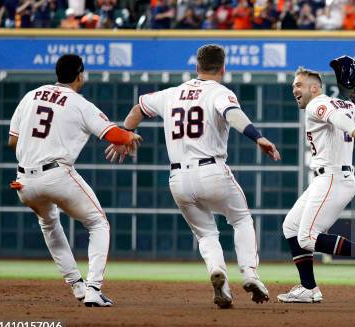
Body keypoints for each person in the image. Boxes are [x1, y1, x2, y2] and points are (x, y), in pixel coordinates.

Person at [105, 44, 279, 309]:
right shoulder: (220, 92)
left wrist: (123, 135)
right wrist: (258, 137)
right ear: (223, 68)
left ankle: (216, 272)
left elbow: (137, 109)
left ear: (196, 67)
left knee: (207, 234)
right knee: (241, 218)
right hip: (212, 171)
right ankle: (250, 274)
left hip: (178, 179)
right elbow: (233, 115)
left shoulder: (171, 94)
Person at [8, 54, 142, 307]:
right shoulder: (79, 103)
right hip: (57, 174)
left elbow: (13, 141)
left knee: (49, 224)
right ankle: (93, 289)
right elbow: (112, 133)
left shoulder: (30, 96)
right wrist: (128, 137)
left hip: (24, 181)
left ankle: (77, 285)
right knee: (98, 224)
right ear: (80, 75)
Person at [277, 64, 355, 303]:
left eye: (298, 84)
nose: (294, 88)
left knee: (306, 237)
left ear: (314, 88)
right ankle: (309, 288)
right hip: (328, 178)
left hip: (333, 178)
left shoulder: (317, 103)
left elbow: (335, 118)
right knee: (291, 227)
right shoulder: (345, 104)